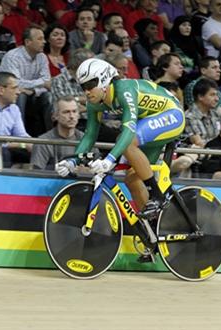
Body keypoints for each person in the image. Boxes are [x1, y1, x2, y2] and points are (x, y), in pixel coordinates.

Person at [54, 58, 185, 223]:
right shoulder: (94, 102)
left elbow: (129, 130)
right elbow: (90, 136)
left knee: (128, 143)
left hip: (172, 115)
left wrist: (109, 160)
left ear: (104, 80)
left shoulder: (124, 90)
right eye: (83, 87)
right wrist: (74, 161)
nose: (87, 91)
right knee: (132, 178)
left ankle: (156, 196)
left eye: (91, 84)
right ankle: (155, 227)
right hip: (148, 123)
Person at [0, 26, 53, 137]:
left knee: (48, 96)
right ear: (28, 42)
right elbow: (15, 83)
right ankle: (19, 136)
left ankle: (51, 135)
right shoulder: (12, 56)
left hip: (33, 95)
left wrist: (34, 91)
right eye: (40, 39)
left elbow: (48, 83)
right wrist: (41, 83)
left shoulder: (42, 57)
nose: (44, 42)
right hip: (7, 93)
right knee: (20, 94)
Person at [31, 96, 85, 170]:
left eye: (74, 111)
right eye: (66, 112)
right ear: (55, 116)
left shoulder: (86, 140)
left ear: (78, 115)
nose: (71, 116)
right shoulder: (43, 142)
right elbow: (37, 174)